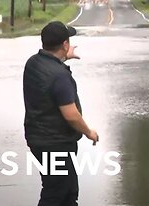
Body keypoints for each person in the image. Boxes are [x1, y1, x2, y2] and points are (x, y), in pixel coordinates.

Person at [23, 21, 99, 206]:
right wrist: (89, 132)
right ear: (65, 45)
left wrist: (64, 58)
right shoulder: (59, 76)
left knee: (69, 192)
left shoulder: (33, 62)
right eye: (68, 42)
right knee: (55, 193)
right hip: (55, 144)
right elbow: (71, 114)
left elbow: (50, 72)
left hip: (40, 139)